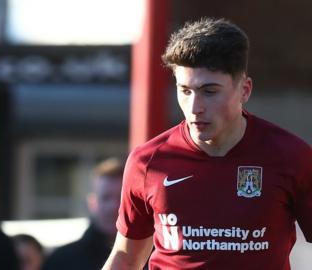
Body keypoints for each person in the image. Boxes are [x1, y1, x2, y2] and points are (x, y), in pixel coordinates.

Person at [103, 17, 312, 270]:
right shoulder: (148, 162)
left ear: (244, 90)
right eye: (185, 90)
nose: (194, 108)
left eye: (209, 92)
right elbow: (126, 258)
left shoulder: (291, 156)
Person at [42, 157, 124, 270]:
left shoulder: (154, 257)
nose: (113, 206)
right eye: (105, 198)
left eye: (121, 198)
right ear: (92, 203)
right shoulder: (62, 260)